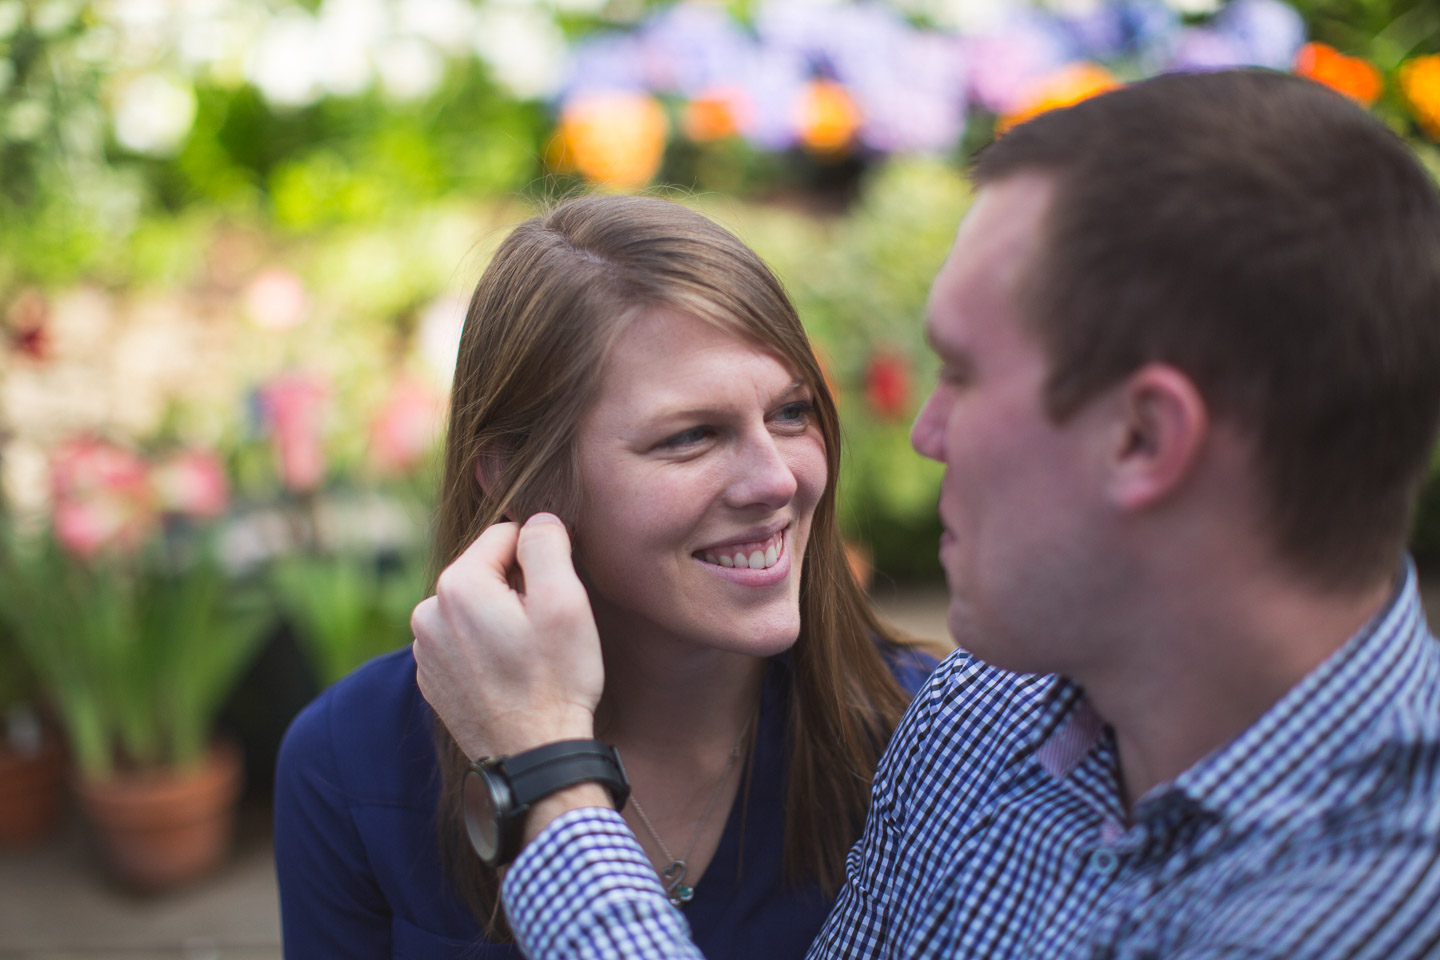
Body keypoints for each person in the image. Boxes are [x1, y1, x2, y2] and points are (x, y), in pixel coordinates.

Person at [411, 68, 1440, 959]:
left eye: (963, 374)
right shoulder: (982, 716)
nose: (924, 432)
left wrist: (548, 775)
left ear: (1143, 439)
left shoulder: (1390, 885)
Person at [273, 195, 938, 959]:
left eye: (791, 413)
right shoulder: (353, 759)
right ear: (522, 482)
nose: (777, 480)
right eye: (691, 435)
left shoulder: (922, 740)